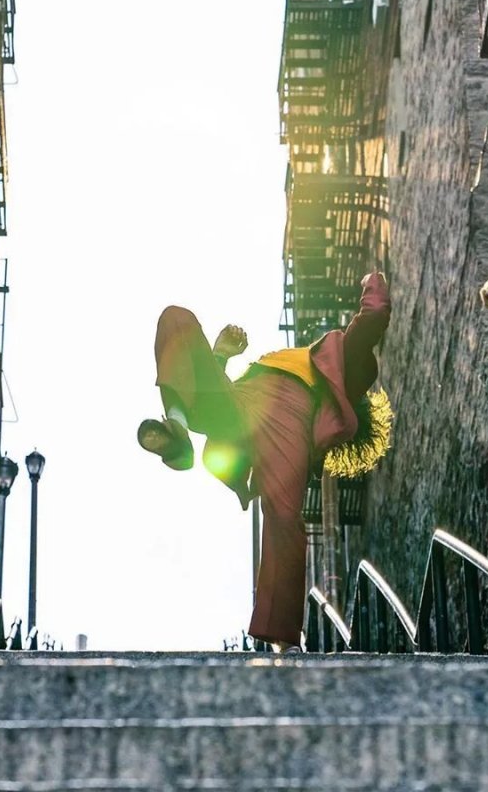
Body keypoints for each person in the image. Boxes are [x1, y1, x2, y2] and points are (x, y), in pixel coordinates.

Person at [137, 271, 392, 651]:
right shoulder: (303, 357)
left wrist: (373, 279)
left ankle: (281, 637)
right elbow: (216, 393)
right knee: (176, 319)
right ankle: (177, 427)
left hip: (290, 420)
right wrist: (221, 354)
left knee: (283, 517)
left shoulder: (342, 362)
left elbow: (374, 313)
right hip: (242, 403)